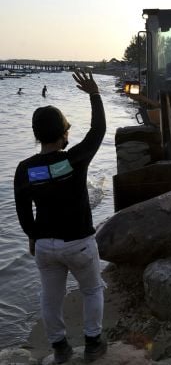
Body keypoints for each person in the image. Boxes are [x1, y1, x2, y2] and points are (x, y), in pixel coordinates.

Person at [13, 70, 108, 363]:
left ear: (37, 135)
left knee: (50, 297)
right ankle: (93, 343)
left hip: (45, 246)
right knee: (92, 289)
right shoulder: (73, 160)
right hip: (78, 242)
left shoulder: (25, 168)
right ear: (64, 133)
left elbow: (22, 210)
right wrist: (94, 94)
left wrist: (32, 236)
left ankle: (60, 348)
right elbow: (98, 132)